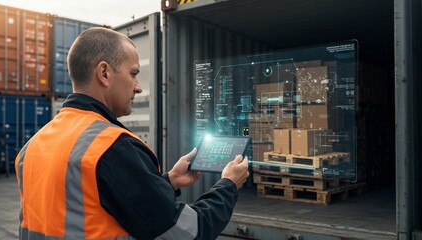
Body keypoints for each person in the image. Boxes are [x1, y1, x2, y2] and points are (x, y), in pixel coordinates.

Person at [14, 27, 249, 240]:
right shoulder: (113, 148)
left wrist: (169, 181)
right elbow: (187, 233)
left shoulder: (32, 146)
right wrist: (228, 184)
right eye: (133, 73)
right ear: (104, 73)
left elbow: (93, 201)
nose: (138, 86)